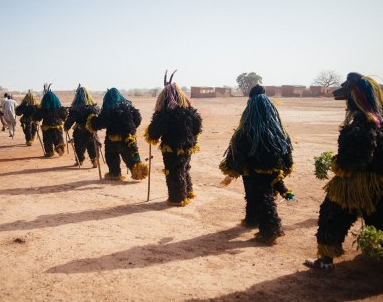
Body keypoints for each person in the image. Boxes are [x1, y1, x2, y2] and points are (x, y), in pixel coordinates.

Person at [305, 73, 383, 269]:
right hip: (378, 185)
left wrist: (336, 163)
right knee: (378, 218)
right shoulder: (378, 121)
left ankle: (325, 260)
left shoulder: (361, 125)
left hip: (354, 185)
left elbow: (355, 160)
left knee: (331, 216)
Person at [219, 84, 294, 244]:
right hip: (272, 168)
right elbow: (285, 147)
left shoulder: (246, 129)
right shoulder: (277, 128)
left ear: (250, 102)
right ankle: (251, 218)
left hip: (253, 170)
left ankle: (270, 230)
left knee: (261, 197)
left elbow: (237, 149)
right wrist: (287, 165)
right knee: (256, 195)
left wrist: (232, 169)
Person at [144, 71, 203, 206]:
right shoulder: (190, 111)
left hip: (172, 148)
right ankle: (188, 191)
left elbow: (154, 133)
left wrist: (151, 132)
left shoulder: (165, 114)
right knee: (185, 167)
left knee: (174, 171)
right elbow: (197, 127)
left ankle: (178, 198)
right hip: (188, 146)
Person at [86, 87, 148, 180]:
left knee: (111, 157)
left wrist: (92, 120)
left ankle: (115, 173)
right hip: (129, 138)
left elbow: (99, 123)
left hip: (113, 140)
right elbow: (138, 118)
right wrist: (132, 128)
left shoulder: (108, 110)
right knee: (130, 156)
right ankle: (136, 169)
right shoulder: (128, 107)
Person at [64, 85, 101, 167]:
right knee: (92, 146)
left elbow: (70, 119)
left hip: (79, 131)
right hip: (91, 131)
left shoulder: (75, 108)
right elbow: (99, 118)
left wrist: (66, 127)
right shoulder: (94, 108)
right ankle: (94, 160)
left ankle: (79, 160)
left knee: (79, 147)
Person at [33, 84, 68, 157]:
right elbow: (64, 116)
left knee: (47, 139)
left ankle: (49, 152)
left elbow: (38, 116)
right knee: (58, 137)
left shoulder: (43, 108)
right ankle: (59, 147)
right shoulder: (59, 107)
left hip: (47, 125)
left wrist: (35, 120)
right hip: (58, 125)